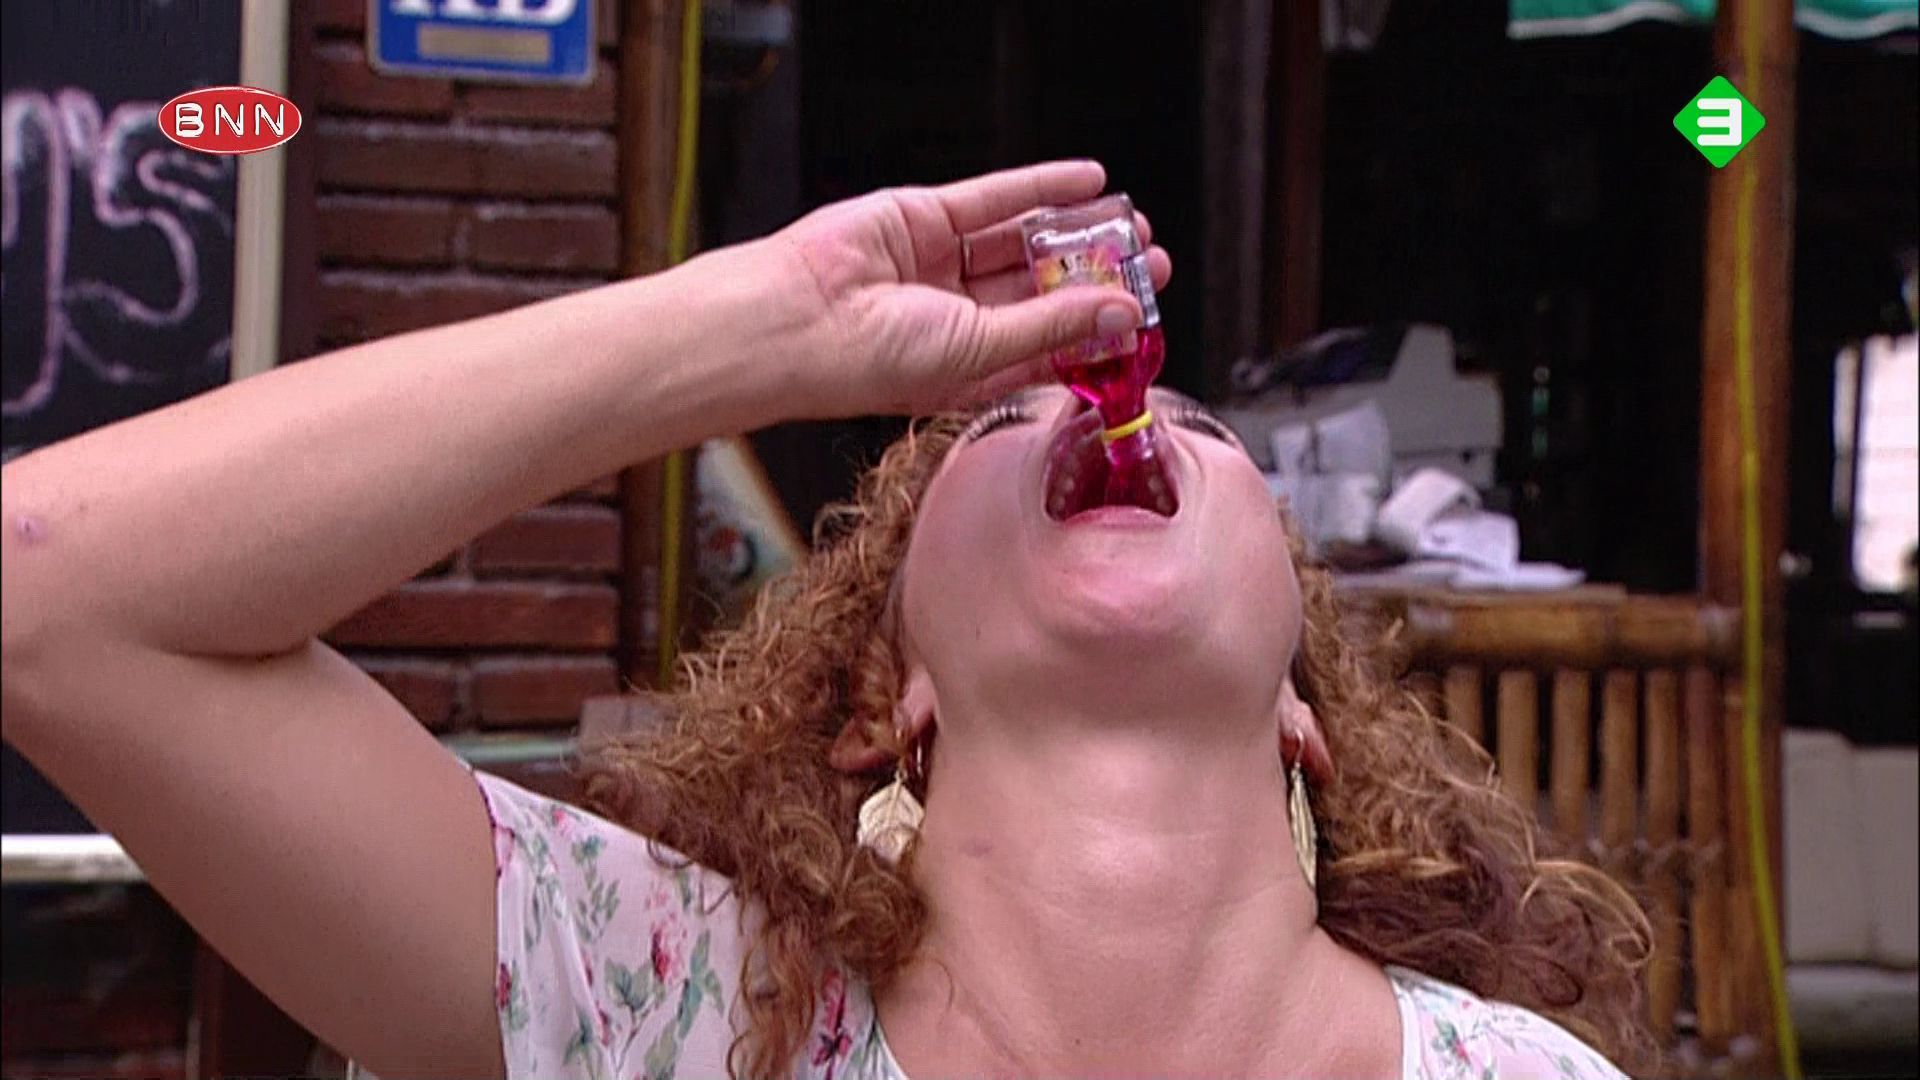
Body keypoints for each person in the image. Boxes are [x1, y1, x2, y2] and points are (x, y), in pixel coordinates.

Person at [2, 162, 1652, 1079]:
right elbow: (48, 592)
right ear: (892, 695)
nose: (1110, 414)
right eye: (992, 426)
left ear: (1302, 704)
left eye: (1206, 432)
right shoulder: (664, 1004)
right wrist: (768, 323)